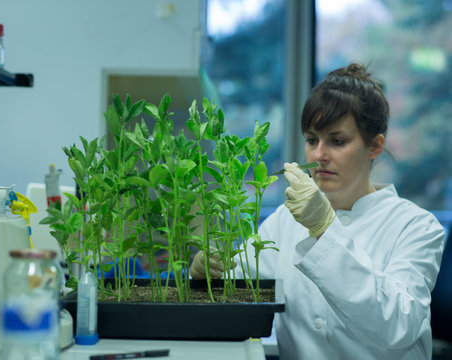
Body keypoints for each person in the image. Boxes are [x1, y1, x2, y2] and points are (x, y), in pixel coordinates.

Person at [189, 63, 445, 359]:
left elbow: (398, 325)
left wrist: (324, 228)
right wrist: (207, 277)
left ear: (375, 146)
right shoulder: (284, 221)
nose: (319, 155)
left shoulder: (416, 227)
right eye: (312, 139)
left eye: (337, 141)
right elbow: (240, 292)